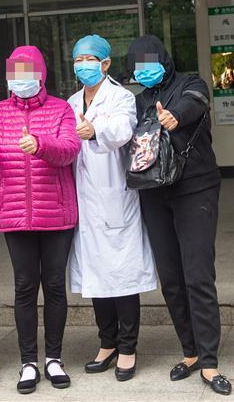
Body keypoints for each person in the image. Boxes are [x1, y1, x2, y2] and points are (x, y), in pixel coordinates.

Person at [0, 45, 81, 395]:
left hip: (56, 214)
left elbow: (70, 148)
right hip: (15, 215)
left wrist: (41, 144)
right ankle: (29, 361)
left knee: (55, 285)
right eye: (15, 73)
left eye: (27, 72)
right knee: (25, 286)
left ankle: (54, 359)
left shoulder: (61, 110)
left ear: (41, 73)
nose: (21, 79)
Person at [125, 35, 231, 396]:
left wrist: (174, 117)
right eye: (137, 66)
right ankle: (190, 351)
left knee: (198, 274)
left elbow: (196, 104)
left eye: (149, 63)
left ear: (165, 59)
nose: (145, 71)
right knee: (170, 277)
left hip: (195, 189)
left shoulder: (191, 84)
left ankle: (209, 359)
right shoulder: (138, 101)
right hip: (154, 192)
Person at [66, 35, 157, 382]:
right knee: (96, 275)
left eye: (91, 59)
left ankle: (128, 347)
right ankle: (107, 342)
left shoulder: (121, 97)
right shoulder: (72, 100)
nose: (83, 65)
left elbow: (121, 131)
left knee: (122, 275)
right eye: (78, 59)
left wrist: (94, 131)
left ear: (105, 64)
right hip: (85, 202)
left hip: (115, 196)